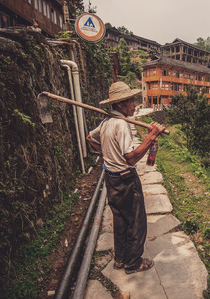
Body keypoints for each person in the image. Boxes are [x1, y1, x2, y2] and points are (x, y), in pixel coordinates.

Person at [87, 82, 166, 274]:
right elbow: (130, 159)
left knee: (121, 220)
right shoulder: (121, 124)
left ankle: (120, 259)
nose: (134, 105)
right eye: (131, 101)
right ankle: (133, 263)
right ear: (121, 105)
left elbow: (90, 138)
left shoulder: (106, 122)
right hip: (125, 180)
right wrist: (151, 136)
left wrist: (108, 155)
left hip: (111, 179)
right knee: (136, 223)